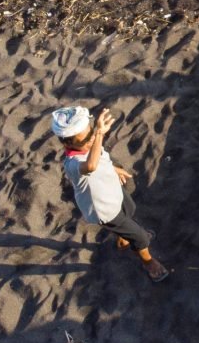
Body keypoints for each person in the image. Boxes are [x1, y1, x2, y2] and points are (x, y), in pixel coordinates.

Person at [52, 106, 169, 283]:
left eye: (92, 134)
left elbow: (101, 158)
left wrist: (114, 169)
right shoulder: (73, 164)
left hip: (112, 191)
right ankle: (149, 263)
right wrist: (98, 133)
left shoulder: (91, 144)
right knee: (141, 237)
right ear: (67, 144)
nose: (92, 141)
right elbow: (91, 165)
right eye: (87, 140)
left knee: (130, 209)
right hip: (104, 210)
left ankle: (123, 240)